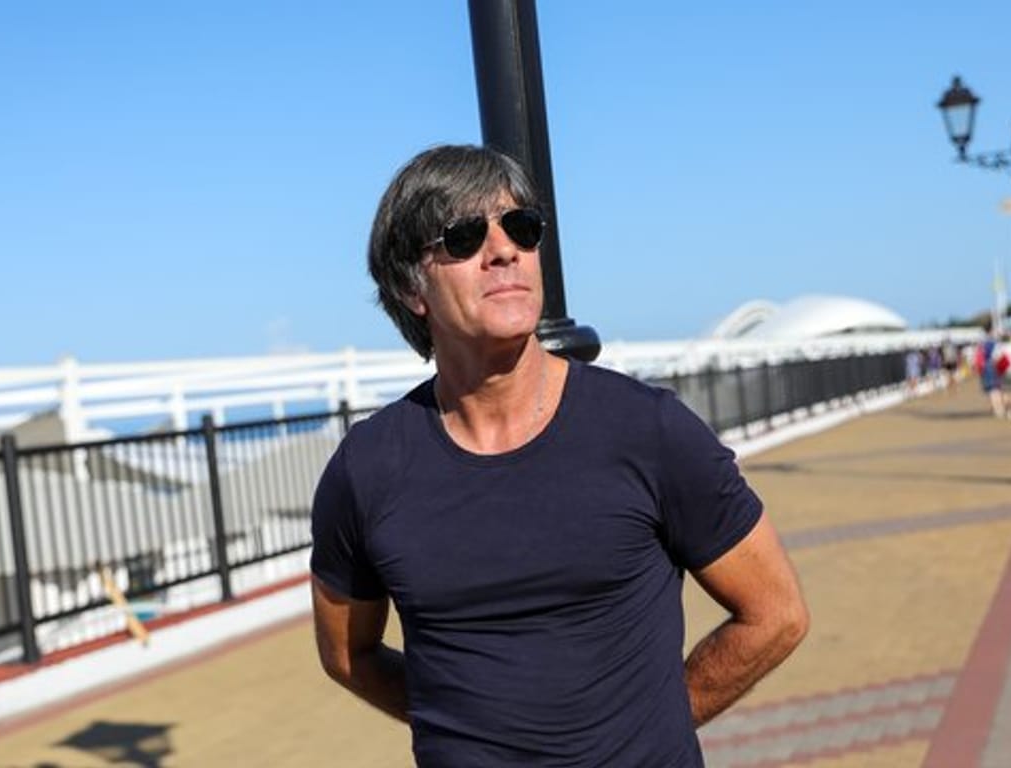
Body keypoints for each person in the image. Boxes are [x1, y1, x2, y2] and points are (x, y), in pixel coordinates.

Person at [309, 145, 808, 766]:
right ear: (413, 287)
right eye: (463, 238)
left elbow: (776, 613)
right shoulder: (368, 468)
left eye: (521, 227)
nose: (504, 251)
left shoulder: (646, 431)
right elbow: (347, 655)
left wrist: (652, 728)